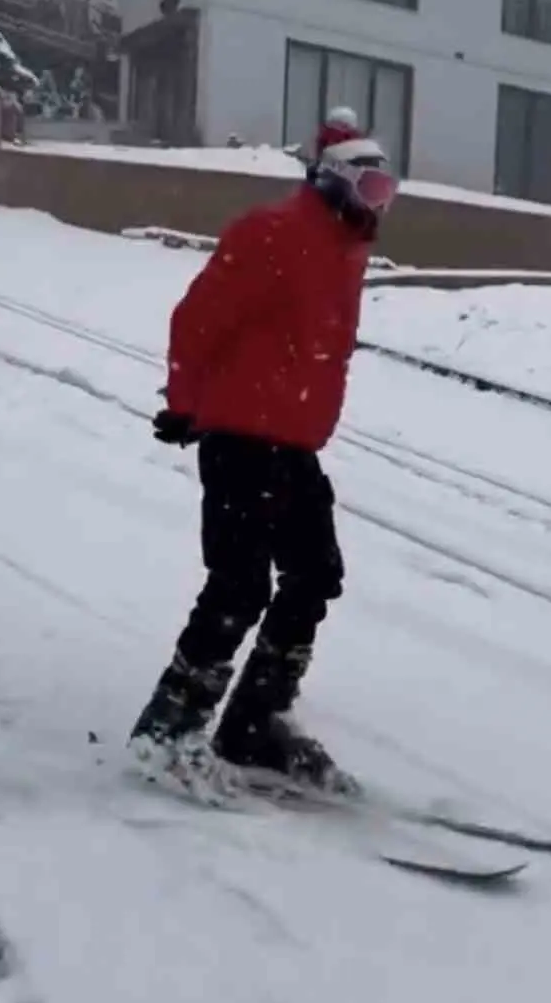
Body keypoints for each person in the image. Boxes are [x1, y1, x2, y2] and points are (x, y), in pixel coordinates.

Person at [129, 133, 400, 799]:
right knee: (240, 583)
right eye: (371, 189)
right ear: (334, 182)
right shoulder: (271, 232)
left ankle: (254, 726)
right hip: (239, 434)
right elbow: (198, 320)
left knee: (315, 575)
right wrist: (185, 404)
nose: (380, 205)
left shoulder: (343, 249)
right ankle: (167, 732)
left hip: (294, 442)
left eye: (388, 192)